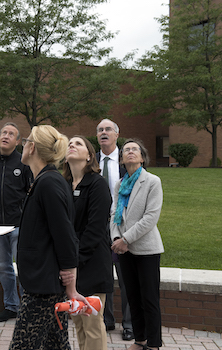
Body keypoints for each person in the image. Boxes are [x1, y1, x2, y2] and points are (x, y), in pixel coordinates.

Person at [9, 125, 88, 350]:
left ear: (31, 147)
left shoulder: (49, 182)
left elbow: (65, 236)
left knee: (22, 346)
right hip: (44, 283)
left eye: (25, 141)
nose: (23, 145)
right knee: (56, 345)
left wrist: (71, 288)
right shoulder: (45, 181)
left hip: (43, 287)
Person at [110, 139, 164, 350]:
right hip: (124, 250)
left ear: (142, 157)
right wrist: (116, 239)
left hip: (146, 249)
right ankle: (140, 340)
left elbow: (150, 218)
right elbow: (114, 214)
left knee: (149, 299)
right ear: (122, 158)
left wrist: (126, 239)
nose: (130, 152)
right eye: (126, 150)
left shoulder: (152, 181)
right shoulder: (119, 184)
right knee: (132, 296)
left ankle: (153, 343)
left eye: (134, 149)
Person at [61, 136, 113, 350]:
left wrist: (73, 259)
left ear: (90, 155)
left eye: (78, 144)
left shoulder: (97, 184)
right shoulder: (62, 184)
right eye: (69, 144)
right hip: (71, 266)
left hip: (91, 263)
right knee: (79, 324)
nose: (72, 145)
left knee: (91, 324)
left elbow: (95, 229)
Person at [0, 122, 32, 322]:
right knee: (4, 267)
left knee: (23, 267)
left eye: (10, 134)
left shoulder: (23, 163)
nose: (5, 136)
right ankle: (11, 306)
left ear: (18, 141)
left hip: (19, 226)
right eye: (3, 132)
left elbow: (31, 193)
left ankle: (27, 307)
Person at [96, 118, 134, 341]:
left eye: (108, 129)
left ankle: (129, 323)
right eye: (100, 130)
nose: (104, 132)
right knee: (103, 276)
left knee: (126, 276)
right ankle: (107, 319)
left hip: (122, 227)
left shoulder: (127, 160)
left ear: (116, 134)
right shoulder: (93, 161)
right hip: (98, 228)